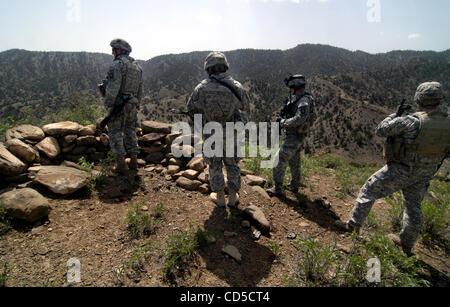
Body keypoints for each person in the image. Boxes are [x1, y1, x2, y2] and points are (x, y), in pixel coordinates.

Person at [335, 82, 450, 256]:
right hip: (426, 172)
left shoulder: (413, 121)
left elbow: (381, 130)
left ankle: (352, 226)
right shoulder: (447, 123)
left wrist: (394, 115)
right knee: (413, 207)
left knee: (369, 189)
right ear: (440, 99)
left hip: (402, 169)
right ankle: (407, 244)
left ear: (418, 99)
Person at [186, 52, 249, 208]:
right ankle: (233, 197)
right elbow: (246, 108)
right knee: (232, 164)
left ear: (208, 68)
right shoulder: (237, 86)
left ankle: (220, 197)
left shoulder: (201, 88)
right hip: (232, 133)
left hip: (211, 133)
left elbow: (191, 110)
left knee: (214, 165)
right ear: (225, 67)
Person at [266, 75, 316, 197]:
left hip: (295, 135)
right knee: (295, 160)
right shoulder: (297, 99)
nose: (290, 90)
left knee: (280, 158)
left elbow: (300, 118)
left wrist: (283, 122)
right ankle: (294, 185)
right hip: (295, 134)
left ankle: (277, 189)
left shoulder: (303, 101)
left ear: (295, 86)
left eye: (291, 87)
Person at [101, 38, 143, 175]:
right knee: (130, 130)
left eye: (113, 50)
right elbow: (140, 89)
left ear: (119, 51)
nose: (112, 52)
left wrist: (109, 105)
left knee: (115, 132)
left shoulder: (117, 65)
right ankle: (134, 161)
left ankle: (121, 164)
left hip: (119, 104)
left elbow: (113, 87)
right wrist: (137, 105)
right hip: (132, 103)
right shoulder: (137, 67)